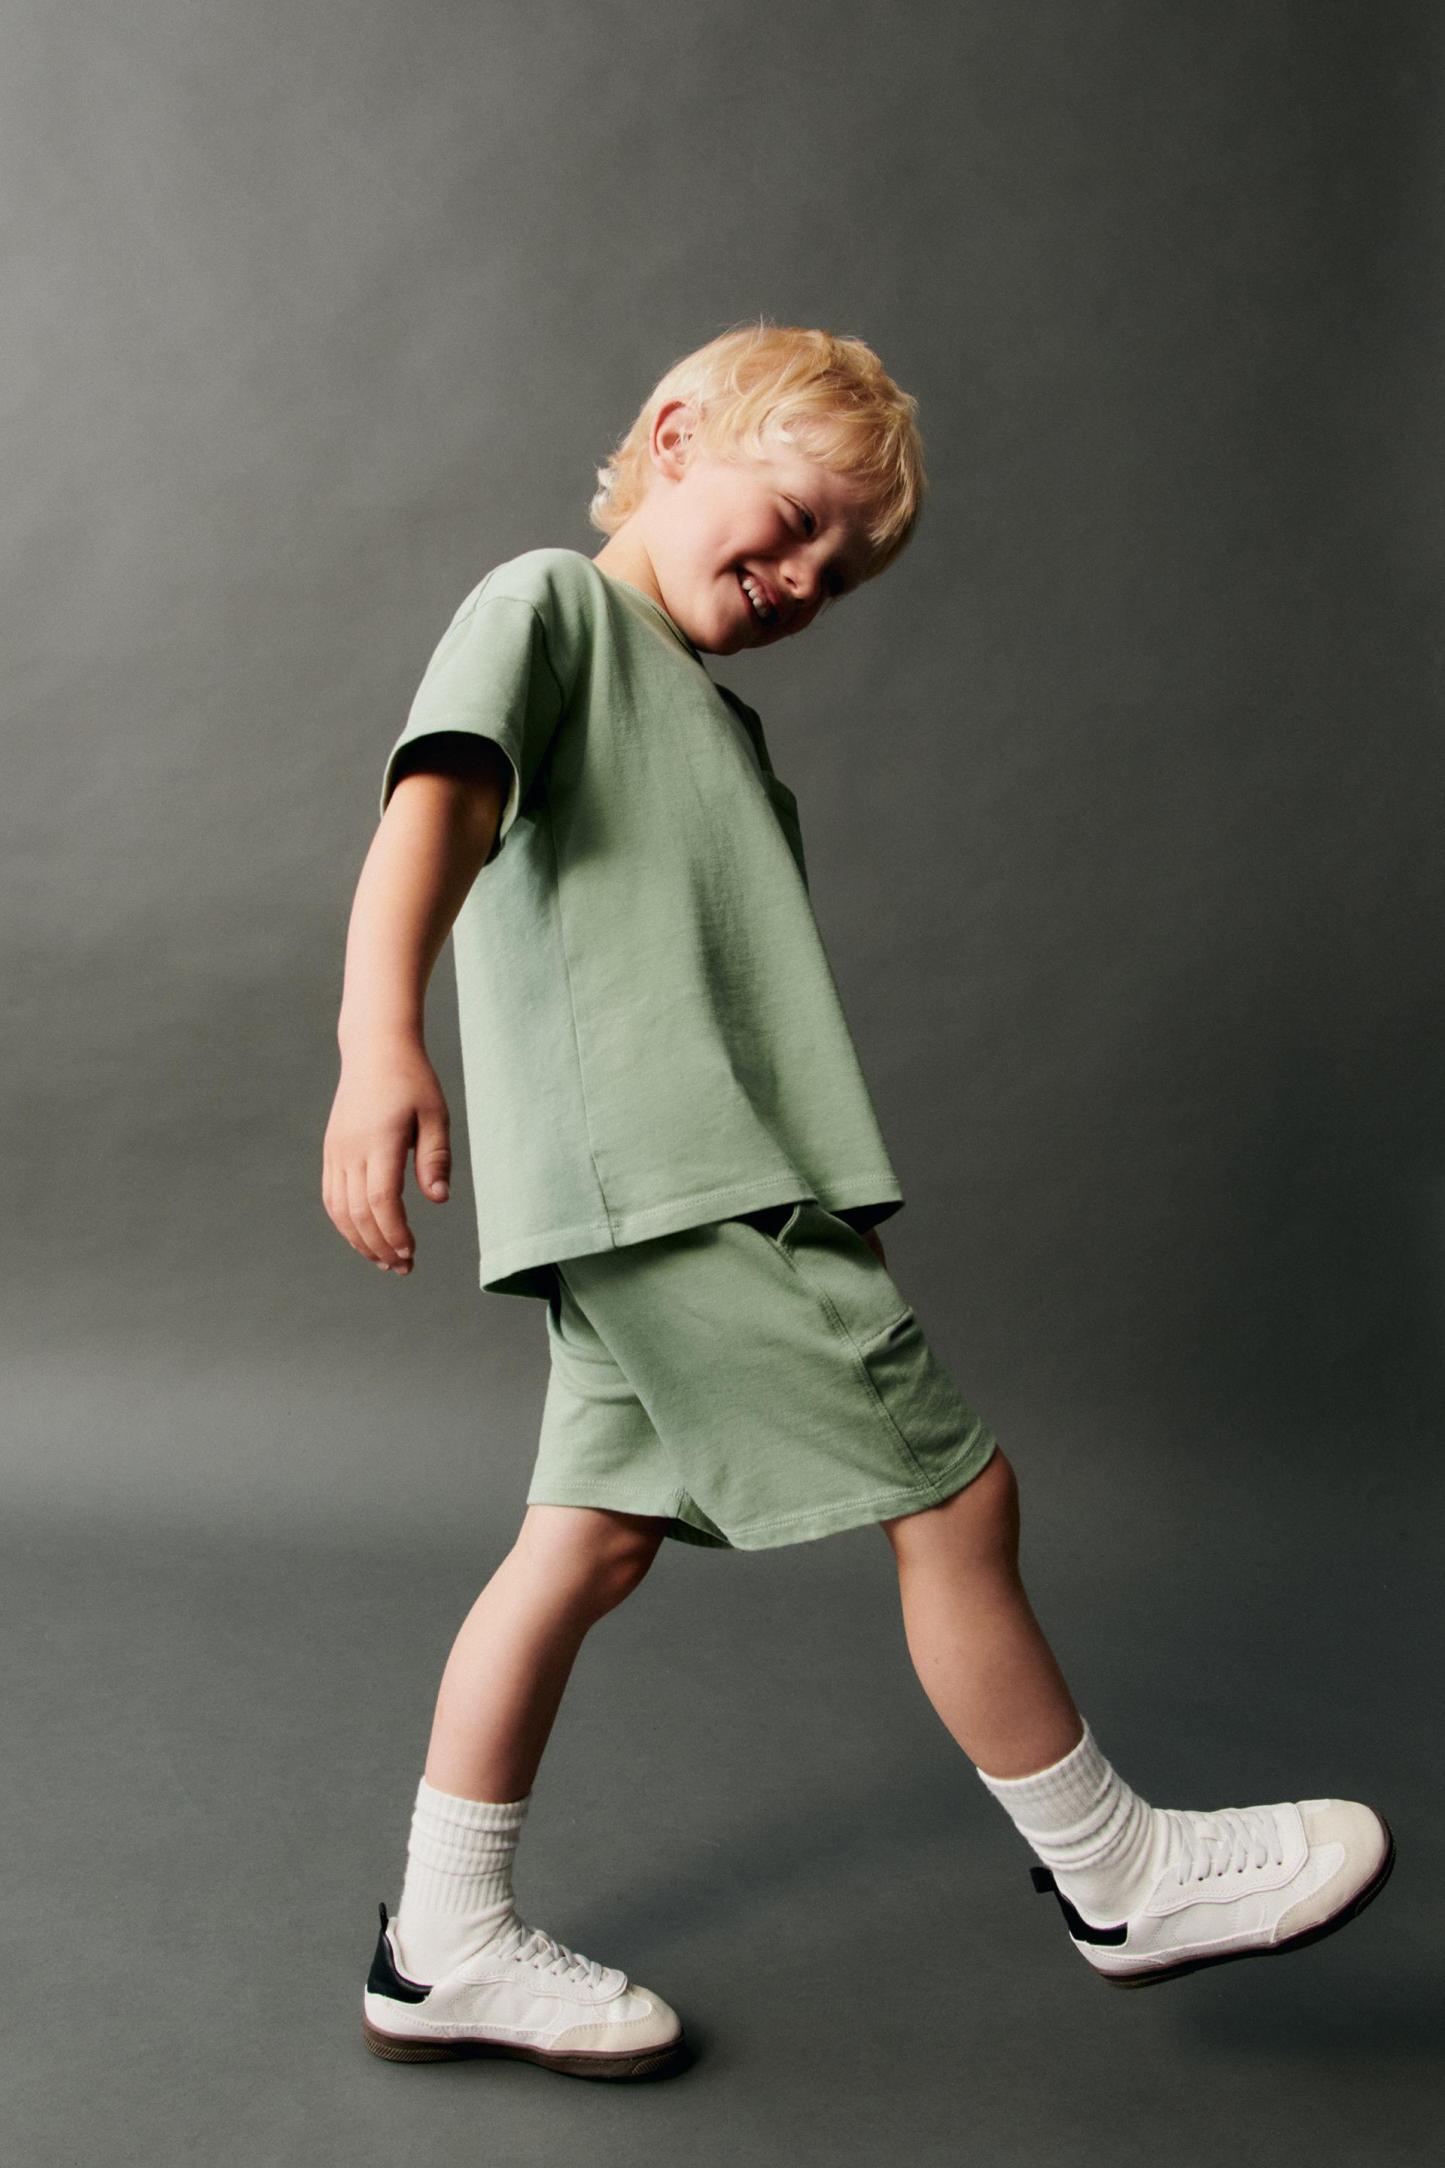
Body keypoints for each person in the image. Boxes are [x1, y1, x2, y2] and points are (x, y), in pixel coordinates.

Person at [322, 320, 1394, 2081]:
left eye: (841, 572)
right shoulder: (548, 609)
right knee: (959, 1504)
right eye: (797, 519)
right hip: (673, 1189)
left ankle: (441, 1943)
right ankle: (1119, 1876)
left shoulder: (715, 724)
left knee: (583, 1547)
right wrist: (378, 1040)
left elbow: (729, 1004)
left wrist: (833, 1214)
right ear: (677, 437)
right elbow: (431, 808)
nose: (806, 577)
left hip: (699, 1188)